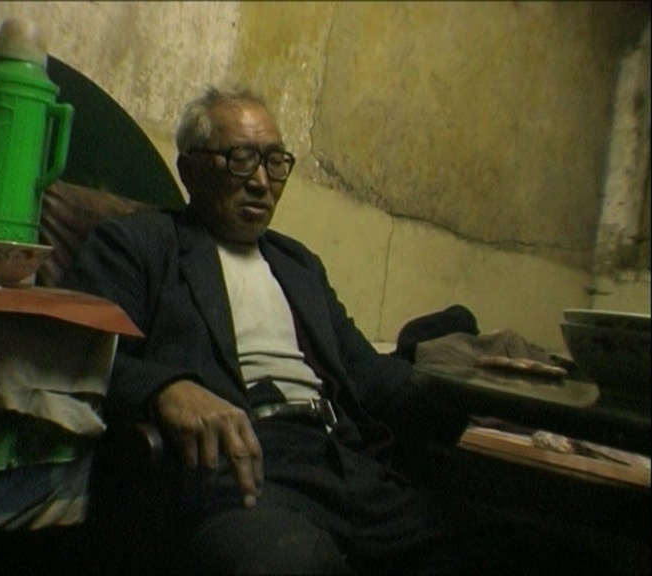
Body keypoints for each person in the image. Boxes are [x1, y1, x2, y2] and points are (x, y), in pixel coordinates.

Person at [62, 85, 470, 574]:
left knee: (491, 541)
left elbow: (368, 375)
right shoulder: (141, 243)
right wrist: (165, 389)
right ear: (190, 170)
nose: (261, 181)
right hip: (242, 470)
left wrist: (478, 388)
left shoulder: (298, 265)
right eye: (241, 160)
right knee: (288, 560)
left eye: (275, 162)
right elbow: (76, 349)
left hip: (340, 461)